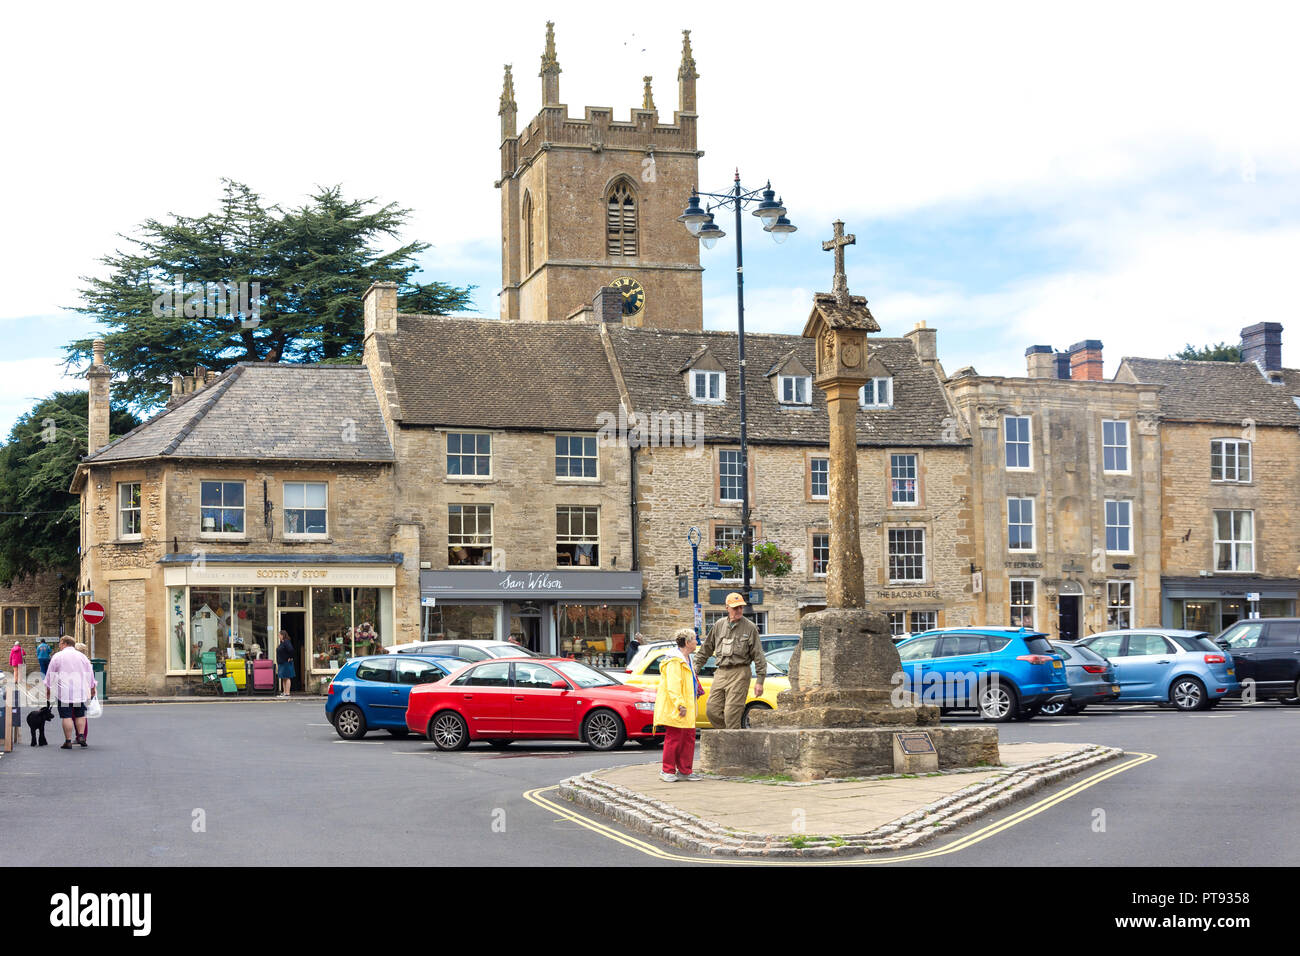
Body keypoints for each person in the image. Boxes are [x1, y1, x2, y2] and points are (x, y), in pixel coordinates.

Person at [694, 592, 765, 730]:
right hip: (721, 672)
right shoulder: (719, 625)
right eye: (735, 607)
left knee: (731, 714)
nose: (738, 610)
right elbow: (706, 649)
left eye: (740, 607)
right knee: (712, 710)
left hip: (740, 672)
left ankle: (731, 742)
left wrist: (760, 681)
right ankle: (730, 735)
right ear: (727, 608)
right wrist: (694, 669)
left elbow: (759, 655)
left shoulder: (749, 627)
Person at [653, 628, 701, 781]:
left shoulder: (687, 659)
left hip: (688, 705)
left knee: (688, 739)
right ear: (687, 642)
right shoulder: (675, 661)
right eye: (694, 639)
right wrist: (680, 704)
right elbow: (673, 685)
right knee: (674, 739)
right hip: (678, 706)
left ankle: (685, 770)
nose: (696, 642)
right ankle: (667, 770)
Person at [43, 636, 95, 749]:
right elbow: (90, 673)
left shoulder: (58, 656)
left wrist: (48, 689)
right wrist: (92, 688)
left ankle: (68, 741)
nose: (59, 646)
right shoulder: (82, 657)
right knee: (80, 714)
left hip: (64, 692)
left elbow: (50, 675)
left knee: (66, 716)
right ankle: (81, 736)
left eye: (60, 643)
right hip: (80, 691)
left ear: (65, 643)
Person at [276, 630, 295, 698]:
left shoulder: (286, 642)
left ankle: (287, 693)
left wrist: (290, 657)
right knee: (283, 677)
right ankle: (284, 692)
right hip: (282, 662)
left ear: (283, 635)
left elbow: (291, 650)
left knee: (287, 677)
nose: (278, 636)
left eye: (279, 635)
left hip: (286, 662)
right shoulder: (282, 642)